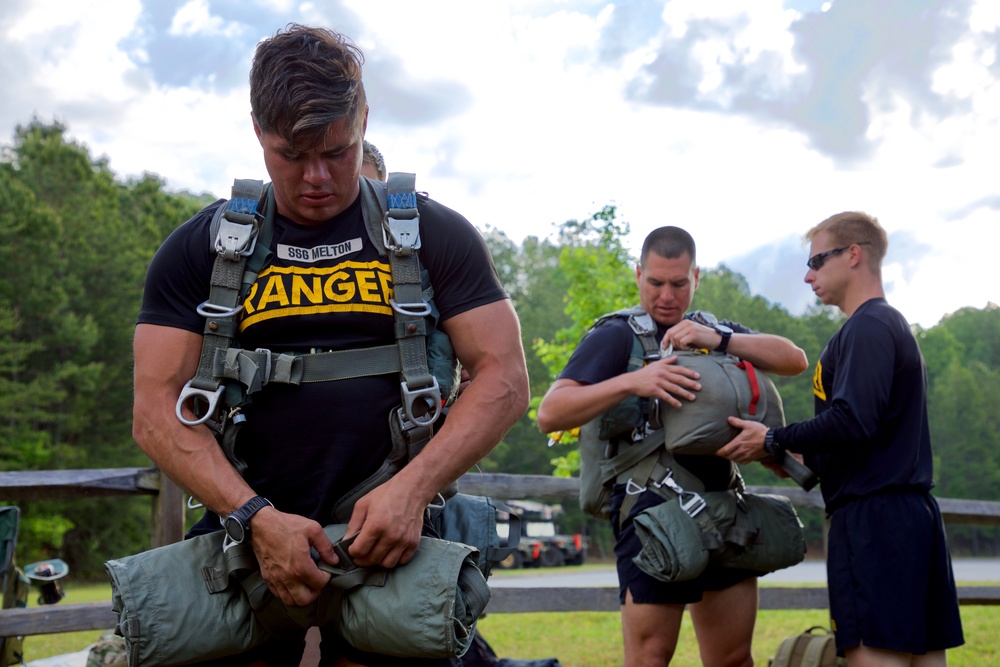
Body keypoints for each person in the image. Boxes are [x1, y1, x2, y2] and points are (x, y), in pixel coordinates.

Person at [131, 24, 529, 667]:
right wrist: (256, 518)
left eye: (338, 152)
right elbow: (154, 408)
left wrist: (414, 490)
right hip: (246, 542)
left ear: (363, 117)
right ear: (258, 130)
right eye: (291, 154)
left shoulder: (435, 234)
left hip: (395, 542)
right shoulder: (201, 246)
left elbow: (504, 377)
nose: (316, 177)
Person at [536, 226, 808, 667]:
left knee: (734, 658)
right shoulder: (616, 336)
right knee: (650, 658)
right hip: (653, 515)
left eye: (679, 284)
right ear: (638, 274)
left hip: (722, 507)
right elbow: (551, 412)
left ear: (696, 277)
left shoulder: (711, 331)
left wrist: (720, 340)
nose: (667, 295)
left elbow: (793, 359)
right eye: (655, 282)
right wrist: (635, 380)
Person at [718, 212, 964, 666]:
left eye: (817, 261)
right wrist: (797, 455)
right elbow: (866, 435)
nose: (808, 275)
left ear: (853, 255)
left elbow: (853, 421)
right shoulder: (884, 326)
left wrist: (773, 438)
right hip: (908, 519)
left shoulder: (868, 328)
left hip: (875, 523)